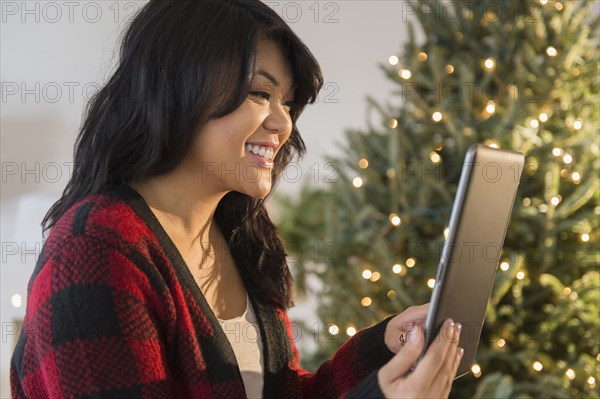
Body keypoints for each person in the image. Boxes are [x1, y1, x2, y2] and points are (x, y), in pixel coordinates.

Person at [10, 1, 463, 398]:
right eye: (260, 93)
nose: (282, 124)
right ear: (177, 88)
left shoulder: (240, 236)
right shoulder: (95, 248)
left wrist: (382, 346)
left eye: (288, 102)